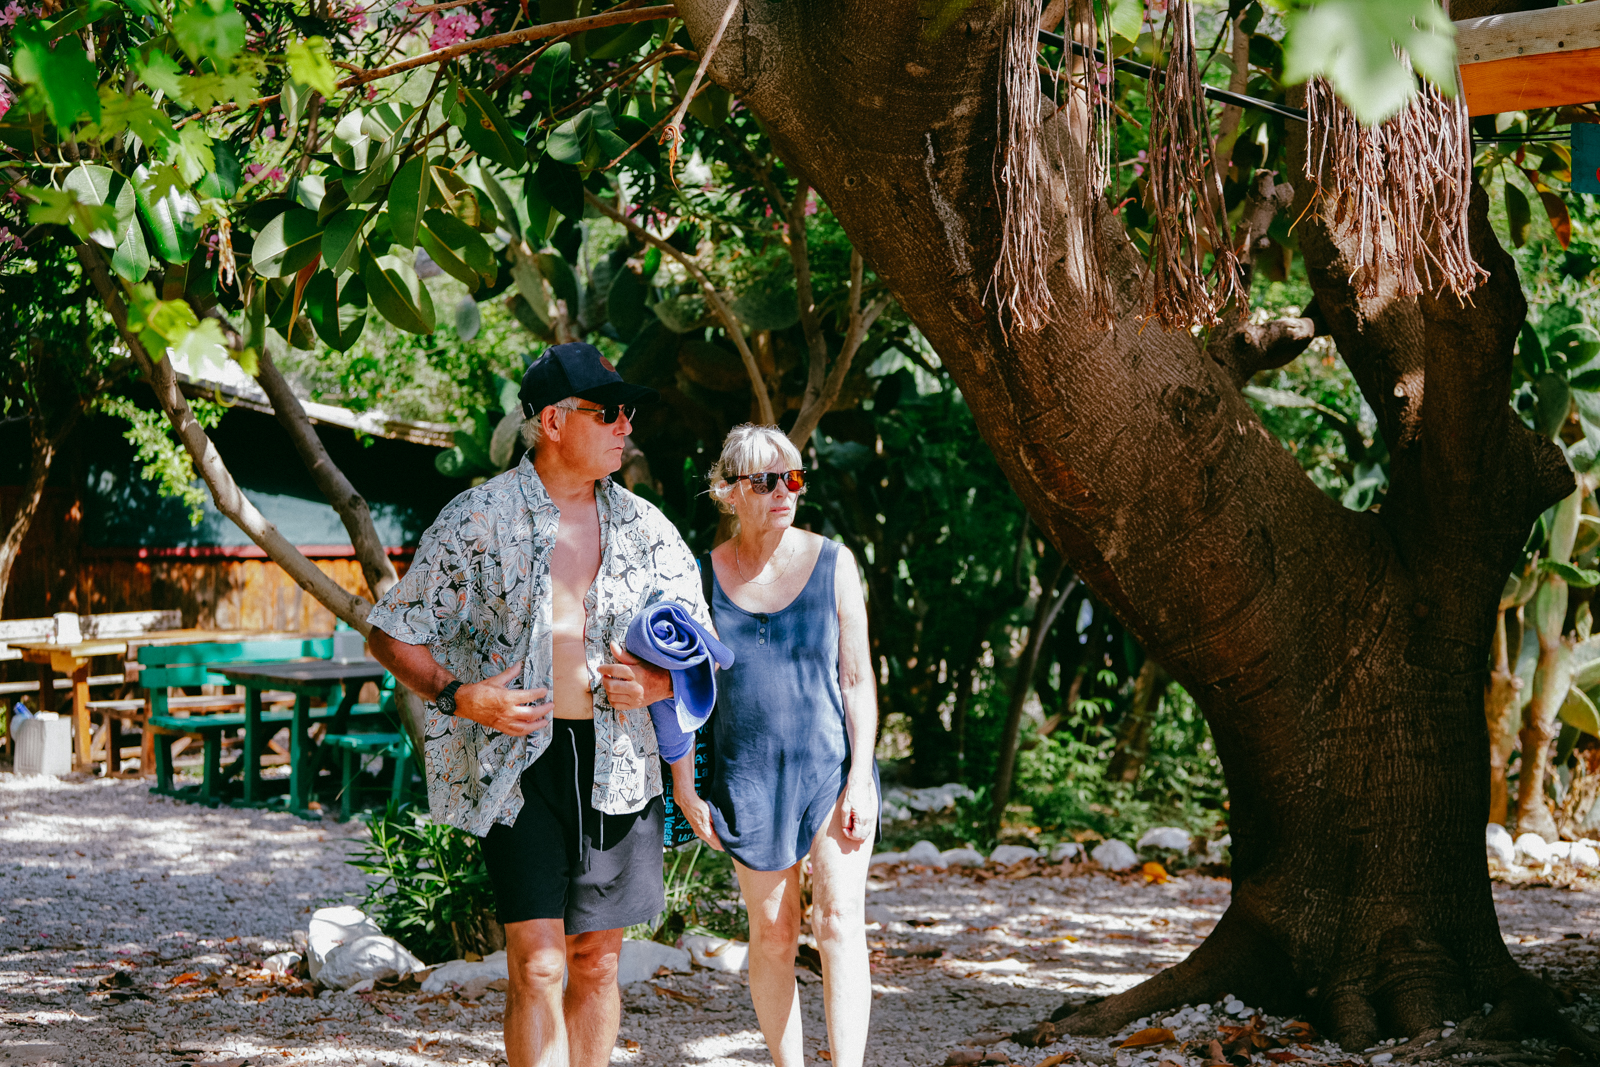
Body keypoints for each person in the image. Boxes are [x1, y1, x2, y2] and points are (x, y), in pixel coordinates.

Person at [366, 342, 704, 1067]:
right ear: (552, 420)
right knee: (540, 963)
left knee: (598, 964)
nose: (625, 425)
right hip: (521, 763)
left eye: (627, 411)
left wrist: (660, 684)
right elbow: (390, 633)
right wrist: (462, 696)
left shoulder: (647, 530)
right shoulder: (478, 518)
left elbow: (703, 648)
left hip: (620, 764)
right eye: (607, 411)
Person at [670, 423, 880, 1067]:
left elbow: (855, 678)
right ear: (729, 492)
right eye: (766, 481)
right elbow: (676, 689)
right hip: (746, 778)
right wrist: (685, 785)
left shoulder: (835, 562)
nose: (785, 492)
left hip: (830, 768)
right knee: (772, 932)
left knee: (840, 922)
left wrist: (859, 776)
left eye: (793, 478)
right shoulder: (700, 576)